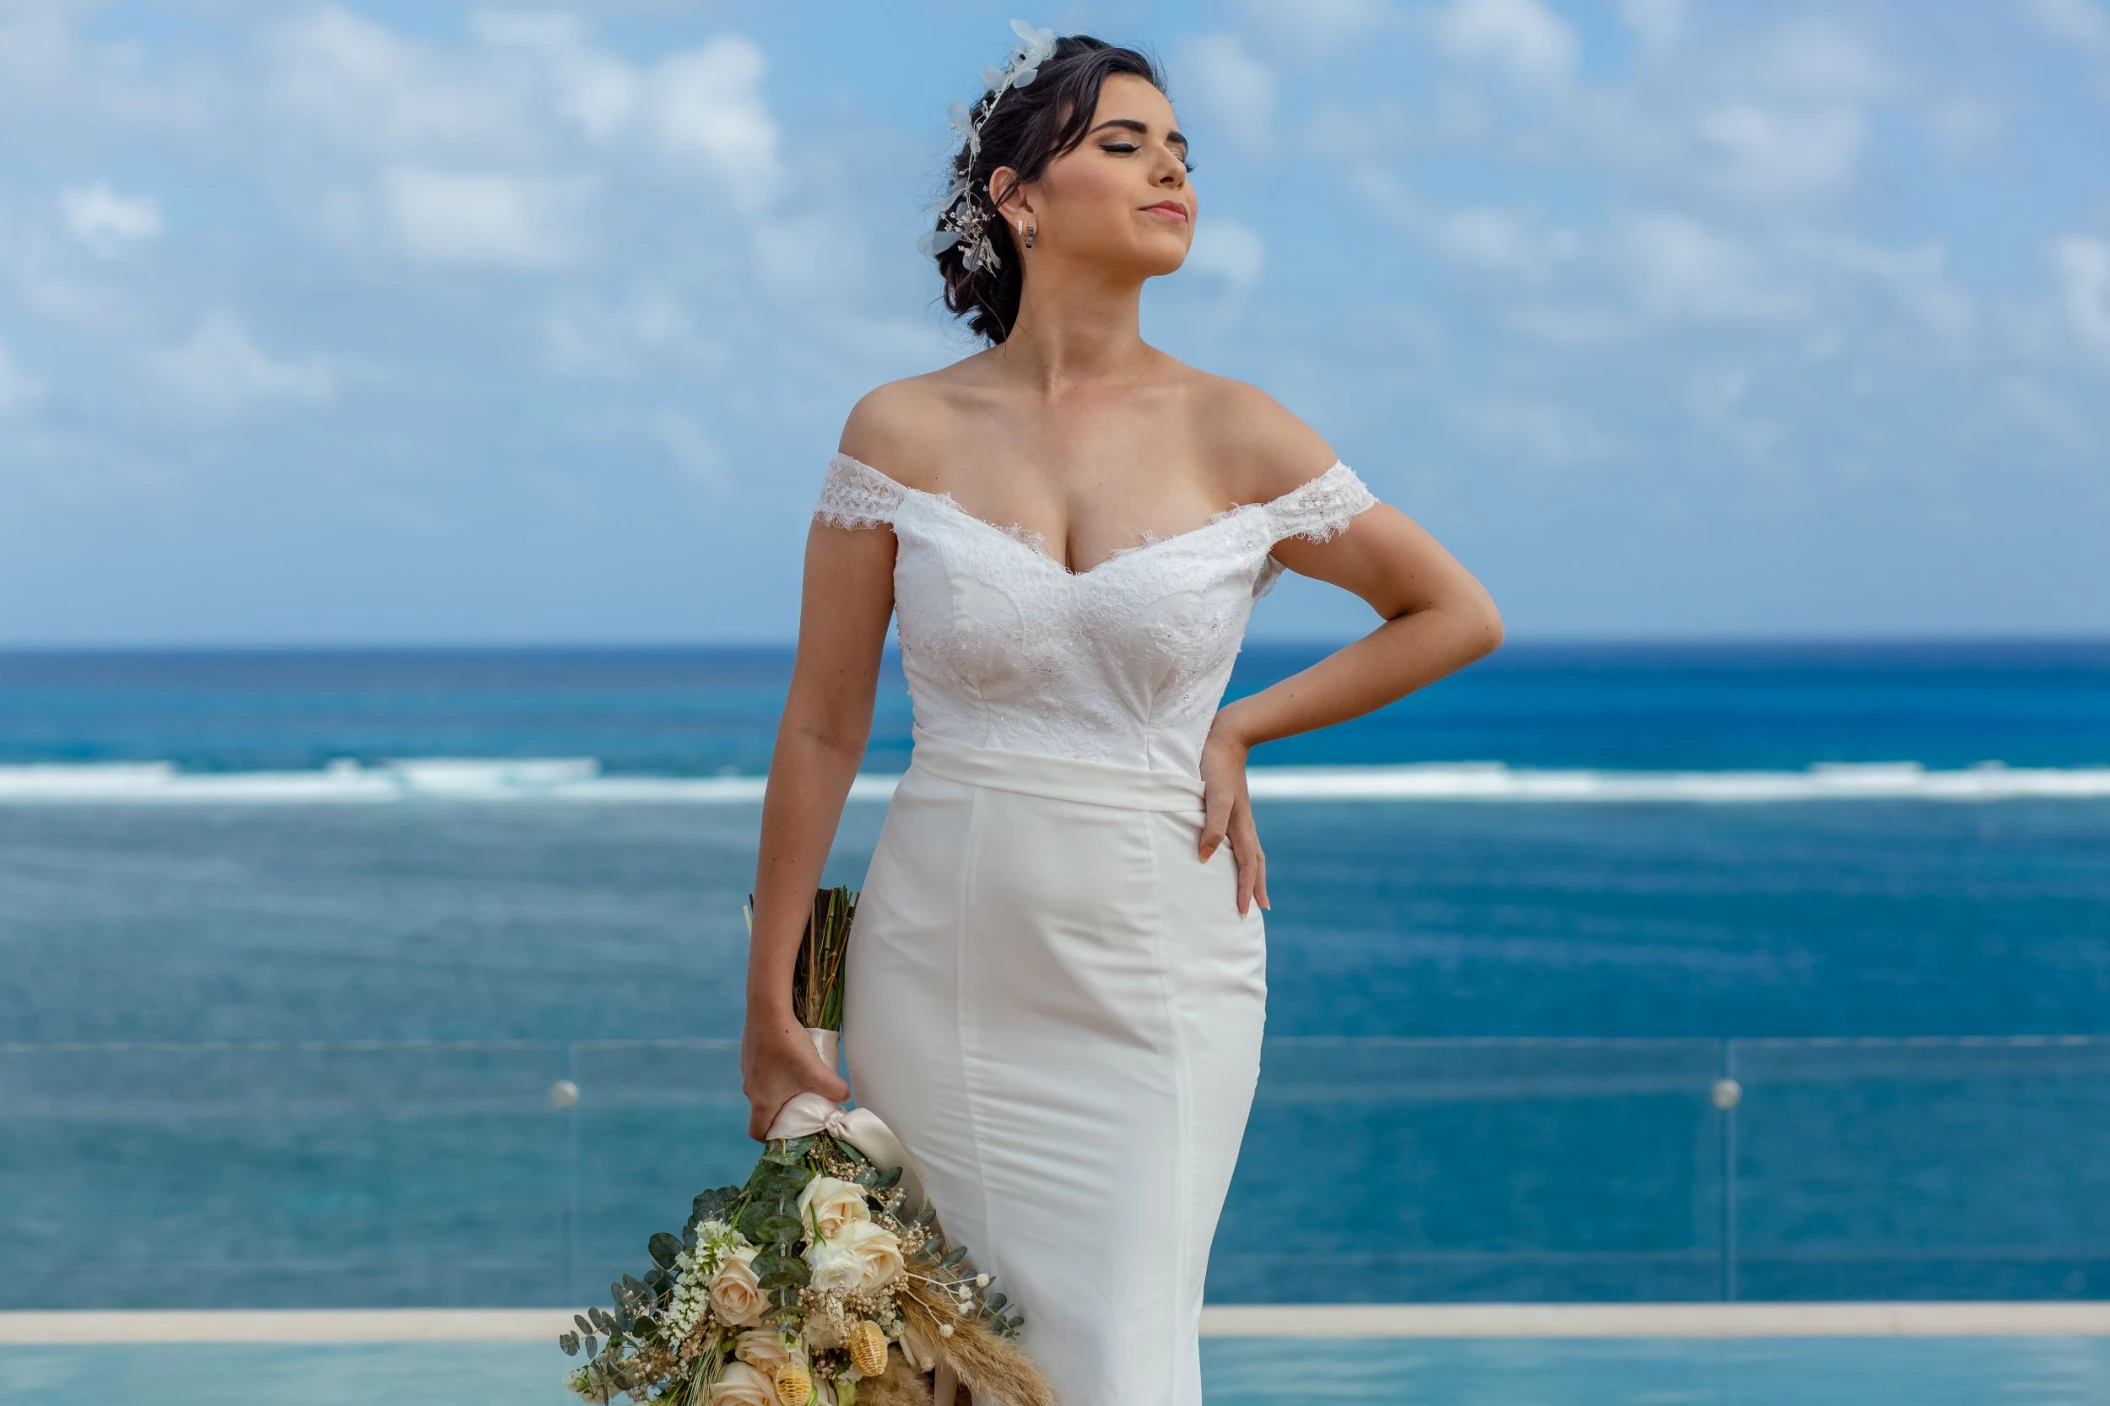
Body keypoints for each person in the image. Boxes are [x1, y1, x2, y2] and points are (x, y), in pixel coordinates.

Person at [740, 28, 1503, 1406]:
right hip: (938, 951)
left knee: (1119, 1352)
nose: (1169, 173)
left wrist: (1235, 728)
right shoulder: (896, 433)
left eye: (1180, 154)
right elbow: (819, 729)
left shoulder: (1241, 431)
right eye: (1122, 143)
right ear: (1015, 196)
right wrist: (776, 1000)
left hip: (1161, 957)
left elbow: (1452, 611)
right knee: (936, 1359)